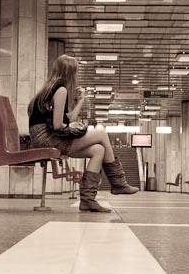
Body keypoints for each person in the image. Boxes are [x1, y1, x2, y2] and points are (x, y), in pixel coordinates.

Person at [28, 55, 138, 212]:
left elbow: (67, 119)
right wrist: (75, 129)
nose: (77, 75)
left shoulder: (49, 89)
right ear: (71, 72)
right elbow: (59, 126)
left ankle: (87, 200)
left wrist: (80, 101)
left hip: (43, 137)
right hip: (47, 138)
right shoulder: (60, 90)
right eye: (76, 71)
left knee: (98, 150)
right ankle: (118, 182)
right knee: (101, 133)